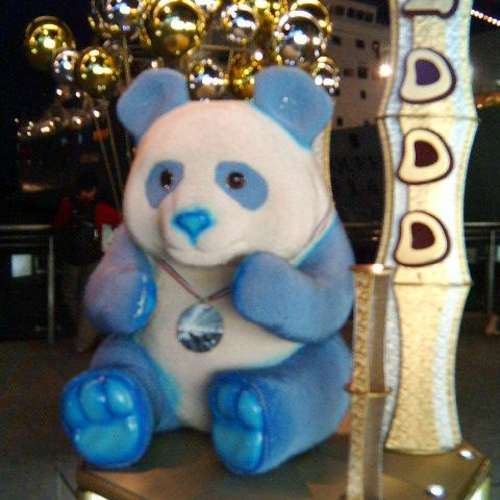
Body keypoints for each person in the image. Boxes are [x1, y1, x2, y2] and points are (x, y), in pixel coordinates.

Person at [53, 171, 121, 352]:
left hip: (71, 257)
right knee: (87, 296)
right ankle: (87, 336)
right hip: (94, 258)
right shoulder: (105, 208)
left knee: (69, 293)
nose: (86, 194)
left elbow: (58, 225)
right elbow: (118, 224)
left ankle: (85, 336)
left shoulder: (67, 205)